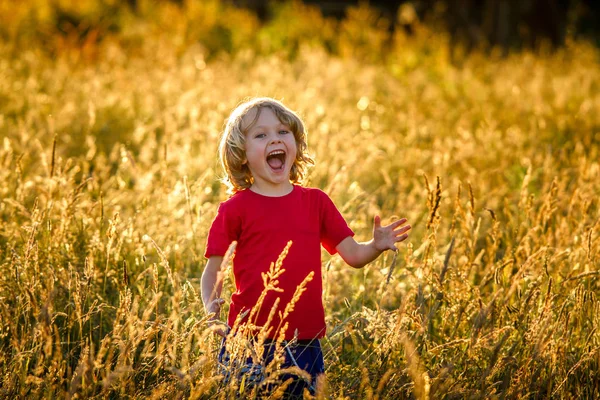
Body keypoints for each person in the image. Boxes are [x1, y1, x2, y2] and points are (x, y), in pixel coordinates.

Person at [201, 97, 411, 397]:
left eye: (283, 132)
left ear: (296, 144)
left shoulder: (316, 203)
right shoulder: (235, 210)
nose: (274, 138)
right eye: (261, 135)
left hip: (305, 344)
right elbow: (213, 272)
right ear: (242, 155)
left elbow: (353, 255)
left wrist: (375, 246)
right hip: (247, 341)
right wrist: (211, 309)